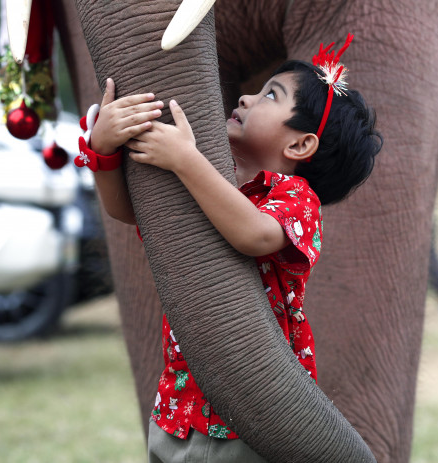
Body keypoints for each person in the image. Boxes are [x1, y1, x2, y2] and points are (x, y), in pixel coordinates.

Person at [75, 35, 381, 462]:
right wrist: (103, 148)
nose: (246, 96)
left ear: (299, 144)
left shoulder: (296, 199)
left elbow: (253, 234)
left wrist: (186, 159)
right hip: (177, 407)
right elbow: (130, 211)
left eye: (270, 95)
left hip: (255, 411)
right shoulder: (214, 180)